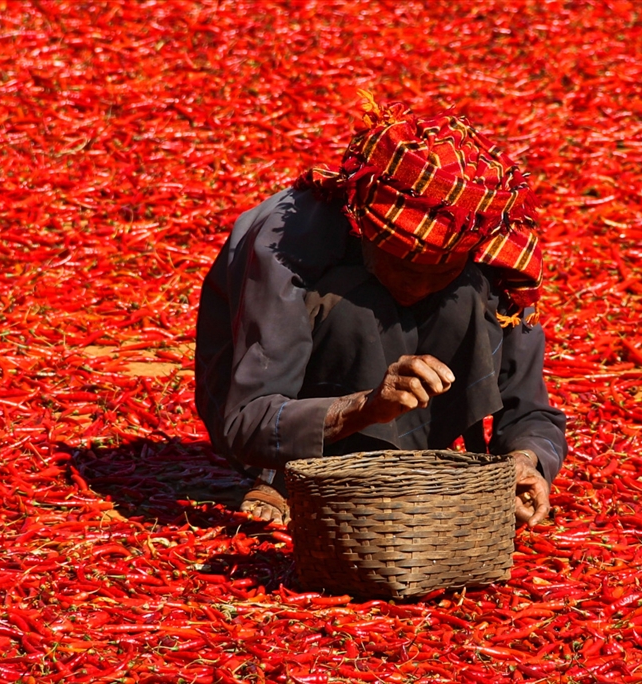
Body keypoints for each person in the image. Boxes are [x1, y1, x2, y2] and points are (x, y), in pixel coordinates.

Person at [195, 96, 567, 527]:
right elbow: (244, 419)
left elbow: (531, 408)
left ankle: (408, 463)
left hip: (397, 426)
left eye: (439, 271)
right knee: (355, 305)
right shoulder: (289, 246)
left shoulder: (494, 254)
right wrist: (365, 407)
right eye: (401, 266)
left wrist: (526, 462)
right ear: (362, 228)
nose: (418, 286)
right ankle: (285, 474)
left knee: (466, 296)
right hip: (272, 426)